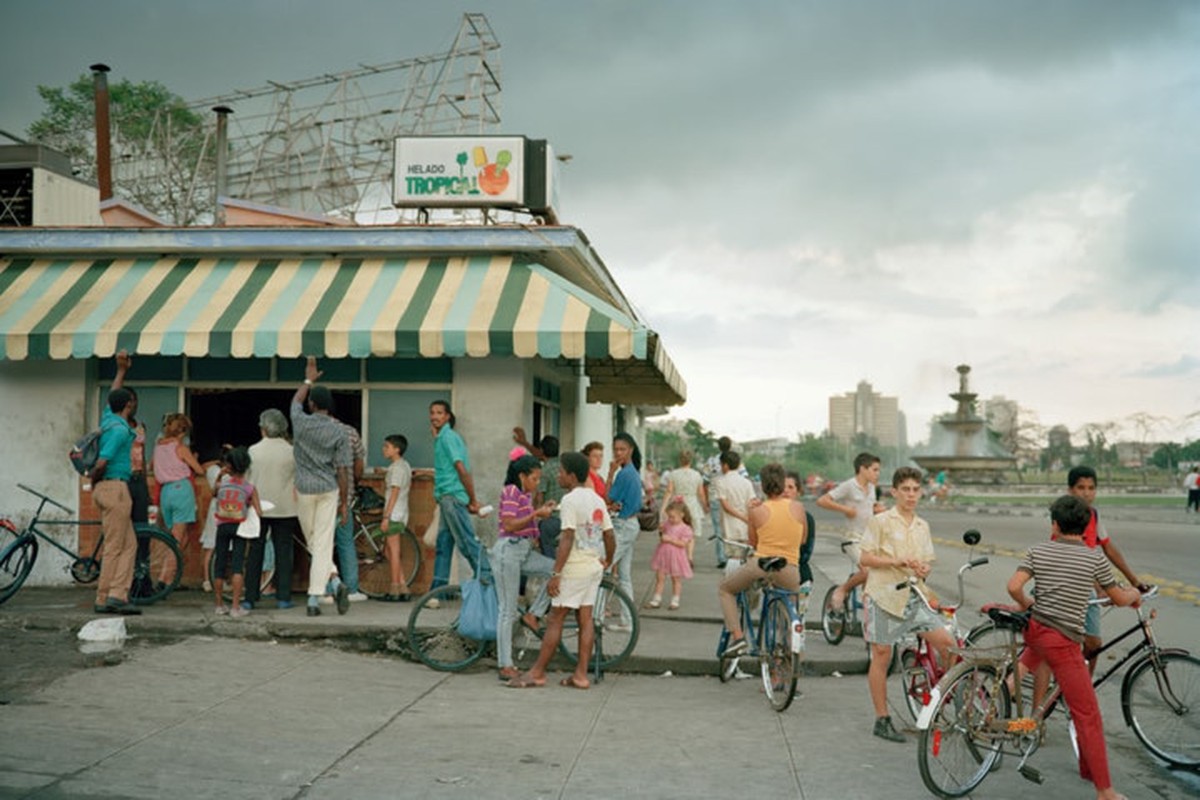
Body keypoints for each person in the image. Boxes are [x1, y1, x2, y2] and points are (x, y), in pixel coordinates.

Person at [1007, 494, 1141, 800]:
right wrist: (1134, 592)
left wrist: (1028, 603)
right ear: (1086, 526)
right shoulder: (1093, 557)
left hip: (1036, 629)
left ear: (1054, 525)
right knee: (1088, 714)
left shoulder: (1038, 550)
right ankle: (1105, 791)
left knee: (1024, 667)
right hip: (1063, 641)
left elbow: (1014, 586)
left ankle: (993, 703)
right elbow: (1119, 598)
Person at [858, 466, 954, 743]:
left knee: (947, 645)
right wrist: (895, 561)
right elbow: (865, 558)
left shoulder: (922, 526)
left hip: (915, 596)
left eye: (915, 490)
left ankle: (936, 702)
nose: (911, 495)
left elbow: (926, 565)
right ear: (894, 492)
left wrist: (923, 569)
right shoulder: (882, 521)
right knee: (882, 655)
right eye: (906, 490)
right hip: (885, 596)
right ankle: (882, 718)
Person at [507, 451, 615, 690]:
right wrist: (608, 560)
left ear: (571, 476)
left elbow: (567, 537)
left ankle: (537, 672)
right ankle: (580, 675)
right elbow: (609, 534)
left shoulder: (570, 501)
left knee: (555, 618)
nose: (558, 475)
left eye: (561, 471)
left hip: (574, 568)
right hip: (592, 568)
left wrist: (556, 574)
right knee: (585, 619)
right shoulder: (597, 499)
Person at [718, 463, 806, 654]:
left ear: (763, 486)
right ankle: (787, 646)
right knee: (790, 603)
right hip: (790, 569)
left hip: (761, 565)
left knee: (725, 589)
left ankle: (738, 637)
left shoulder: (757, 510)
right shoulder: (798, 508)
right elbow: (803, 538)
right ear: (783, 484)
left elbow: (753, 542)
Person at [290, 357, 352, 617]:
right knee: (322, 542)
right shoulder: (340, 433)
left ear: (312, 404)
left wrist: (308, 380)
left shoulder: (301, 422)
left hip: (304, 489)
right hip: (329, 489)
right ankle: (334, 581)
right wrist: (345, 502)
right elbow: (343, 470)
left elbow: (295, 401)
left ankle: (314, 599)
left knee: (314, 541)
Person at [493, 454, 557, 681]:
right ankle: (505, 664)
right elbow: (509, 524)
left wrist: (537, 520)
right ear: (522, 476)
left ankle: (534, 614)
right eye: (535, 478)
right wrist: (536, 514)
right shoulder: (511, 491)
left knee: (557, 570)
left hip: (523, 551)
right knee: (507, 610)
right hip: (508, 552)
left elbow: (526, 523)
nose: (537, 483)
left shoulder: (524, 495)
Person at [88, 350, 142, 615]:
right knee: (114, 545)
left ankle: (118, 595)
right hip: (115, 487)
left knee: (128, 544)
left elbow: (113, 393)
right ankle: (103, 597)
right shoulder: (120, 430)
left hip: (106, 488)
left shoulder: (108, 419)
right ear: (129, 406)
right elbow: (102, 461)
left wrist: (121, 370)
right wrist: (93, 478)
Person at [818, 452, 885, 611]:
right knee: (867, 571)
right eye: (875, 470)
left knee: (882, 571)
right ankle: (842, 589)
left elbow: (869, 507)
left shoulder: (872, 488)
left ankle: (868, 604)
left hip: (869, 539)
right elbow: (822, 500)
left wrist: (878, 510)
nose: (878, 474)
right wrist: (845, 509)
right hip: (852, 538)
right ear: (863, 469)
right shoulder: (849, 485)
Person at [429, 400, 484, 595]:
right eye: (432, 413)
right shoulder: (443, 437)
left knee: (468, 544)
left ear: (447, 417)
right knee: (444, 545)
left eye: (439, 413)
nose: (435, 416)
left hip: (452, 497)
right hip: (447, 497)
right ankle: (437, 592)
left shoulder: (448, 438)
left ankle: (489, 581)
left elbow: (461, 468)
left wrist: (473, 499)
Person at [246, 409, 299, 610]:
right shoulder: (291, 451)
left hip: (259, 508)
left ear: (263, 429)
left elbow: (249, 480)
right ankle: (283, 597)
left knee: (255, 552)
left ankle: (250, 597)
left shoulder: (253, 451)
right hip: (285, 508)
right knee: (284, 552)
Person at [151, 413, 204, 589]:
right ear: (182, 432)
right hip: (181, 490)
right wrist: (196, 461)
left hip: (165, 492)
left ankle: (172, 577)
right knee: (177, 539)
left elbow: (152, 466)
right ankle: (163, 580)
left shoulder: (158, 447)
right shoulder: (181, 448)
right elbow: (198, 470)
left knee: (181, 537)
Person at [211, 447, 262, 618]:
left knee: (219, 565)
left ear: (229, 466)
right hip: (240, 527)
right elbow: (259, 511)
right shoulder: (249, 488)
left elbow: (213, 493)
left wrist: (219, 475)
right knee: (238, 566)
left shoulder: (222, 484)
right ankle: (235, 607)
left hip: (222, 526)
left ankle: (218, 605)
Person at [606, 432, 643, 629]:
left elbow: (607, 499)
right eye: (616, 450)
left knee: (602, 568)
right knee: (624, 576)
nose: (618, 453)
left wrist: (610, 473)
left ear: (630, 450)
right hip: (630, 524)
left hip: (623, 526)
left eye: (622, 449)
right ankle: (627, 621)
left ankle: (593, 618)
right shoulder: (633, 472)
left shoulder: (624, 474)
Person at [331, 416, 369, 604]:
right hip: (346, 497)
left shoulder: (313, 431)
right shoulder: (351, 432)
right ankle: (352, 589)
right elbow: (359, 464)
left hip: (321, 496)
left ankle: (324, 590)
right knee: (346, 542)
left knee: (321, 545)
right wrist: (354, 482)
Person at [379, 433, 412, 602]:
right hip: (401, 511)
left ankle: (394, 588)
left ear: (396, 449)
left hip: (394, 512)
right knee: (389, 550)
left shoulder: (397, 468)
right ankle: (403, 586)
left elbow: (395, 491)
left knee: (392, 550)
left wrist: (386, 516)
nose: (384, 449)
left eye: (387, 446)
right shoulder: (403, 466)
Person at [712, 450, 755, 574]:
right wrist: (746, 519)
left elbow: (726, 506)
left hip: (730, 526)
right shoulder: (747, 483)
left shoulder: (721, 482)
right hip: (746, 526)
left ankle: (733, 587)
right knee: (744, 558)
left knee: (733, 559)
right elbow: (751, 504)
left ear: (725, 465)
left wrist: (741, 517)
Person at [648, 497, 694, 610]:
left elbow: (683, 544)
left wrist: (669, 539)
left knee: (676, 578)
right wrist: (661, 531)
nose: (670, 519)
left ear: (682, 515)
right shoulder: (668, 524)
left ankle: (675, 599)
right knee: (660, 577)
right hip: (664, 554)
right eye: (669, 516)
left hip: (676, 556)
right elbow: (662, 533)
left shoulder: (685, 529)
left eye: (673, 517)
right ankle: (656, 598)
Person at [661, 450, 706, 563]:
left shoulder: (674, 474)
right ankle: (689, 556)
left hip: (677, 504)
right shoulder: (697, 475)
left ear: (680, 460)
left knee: (676, 531)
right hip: (692, 504)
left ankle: (677, 557)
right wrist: (705, 505)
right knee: (690, 533)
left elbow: (669, 491)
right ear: (691, 460)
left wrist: (664, 507)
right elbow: (701, 493)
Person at [785, 471, 816, 587]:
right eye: (782, 487)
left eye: (790, 487)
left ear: (798, 492)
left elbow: (807, 551)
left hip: (800, 573)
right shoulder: (770, 513)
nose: (786, 491)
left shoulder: (807, 518)